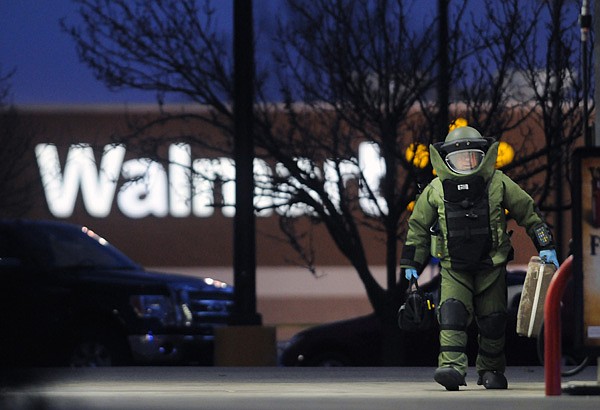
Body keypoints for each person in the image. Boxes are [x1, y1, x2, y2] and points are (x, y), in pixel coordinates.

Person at [400, 125, 559, 391]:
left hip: (491, 265)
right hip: (453, 267)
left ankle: (491, 369)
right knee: (451, 313)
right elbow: (418, 227)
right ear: (447, 159)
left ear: (482, 156)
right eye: (460, 158)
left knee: (494, 319)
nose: (466, 163)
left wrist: (545, 243)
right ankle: (451, 366)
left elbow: (527, 211)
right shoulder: (436, 189)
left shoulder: (498, 182)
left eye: (472, 157)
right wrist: (411, 263)